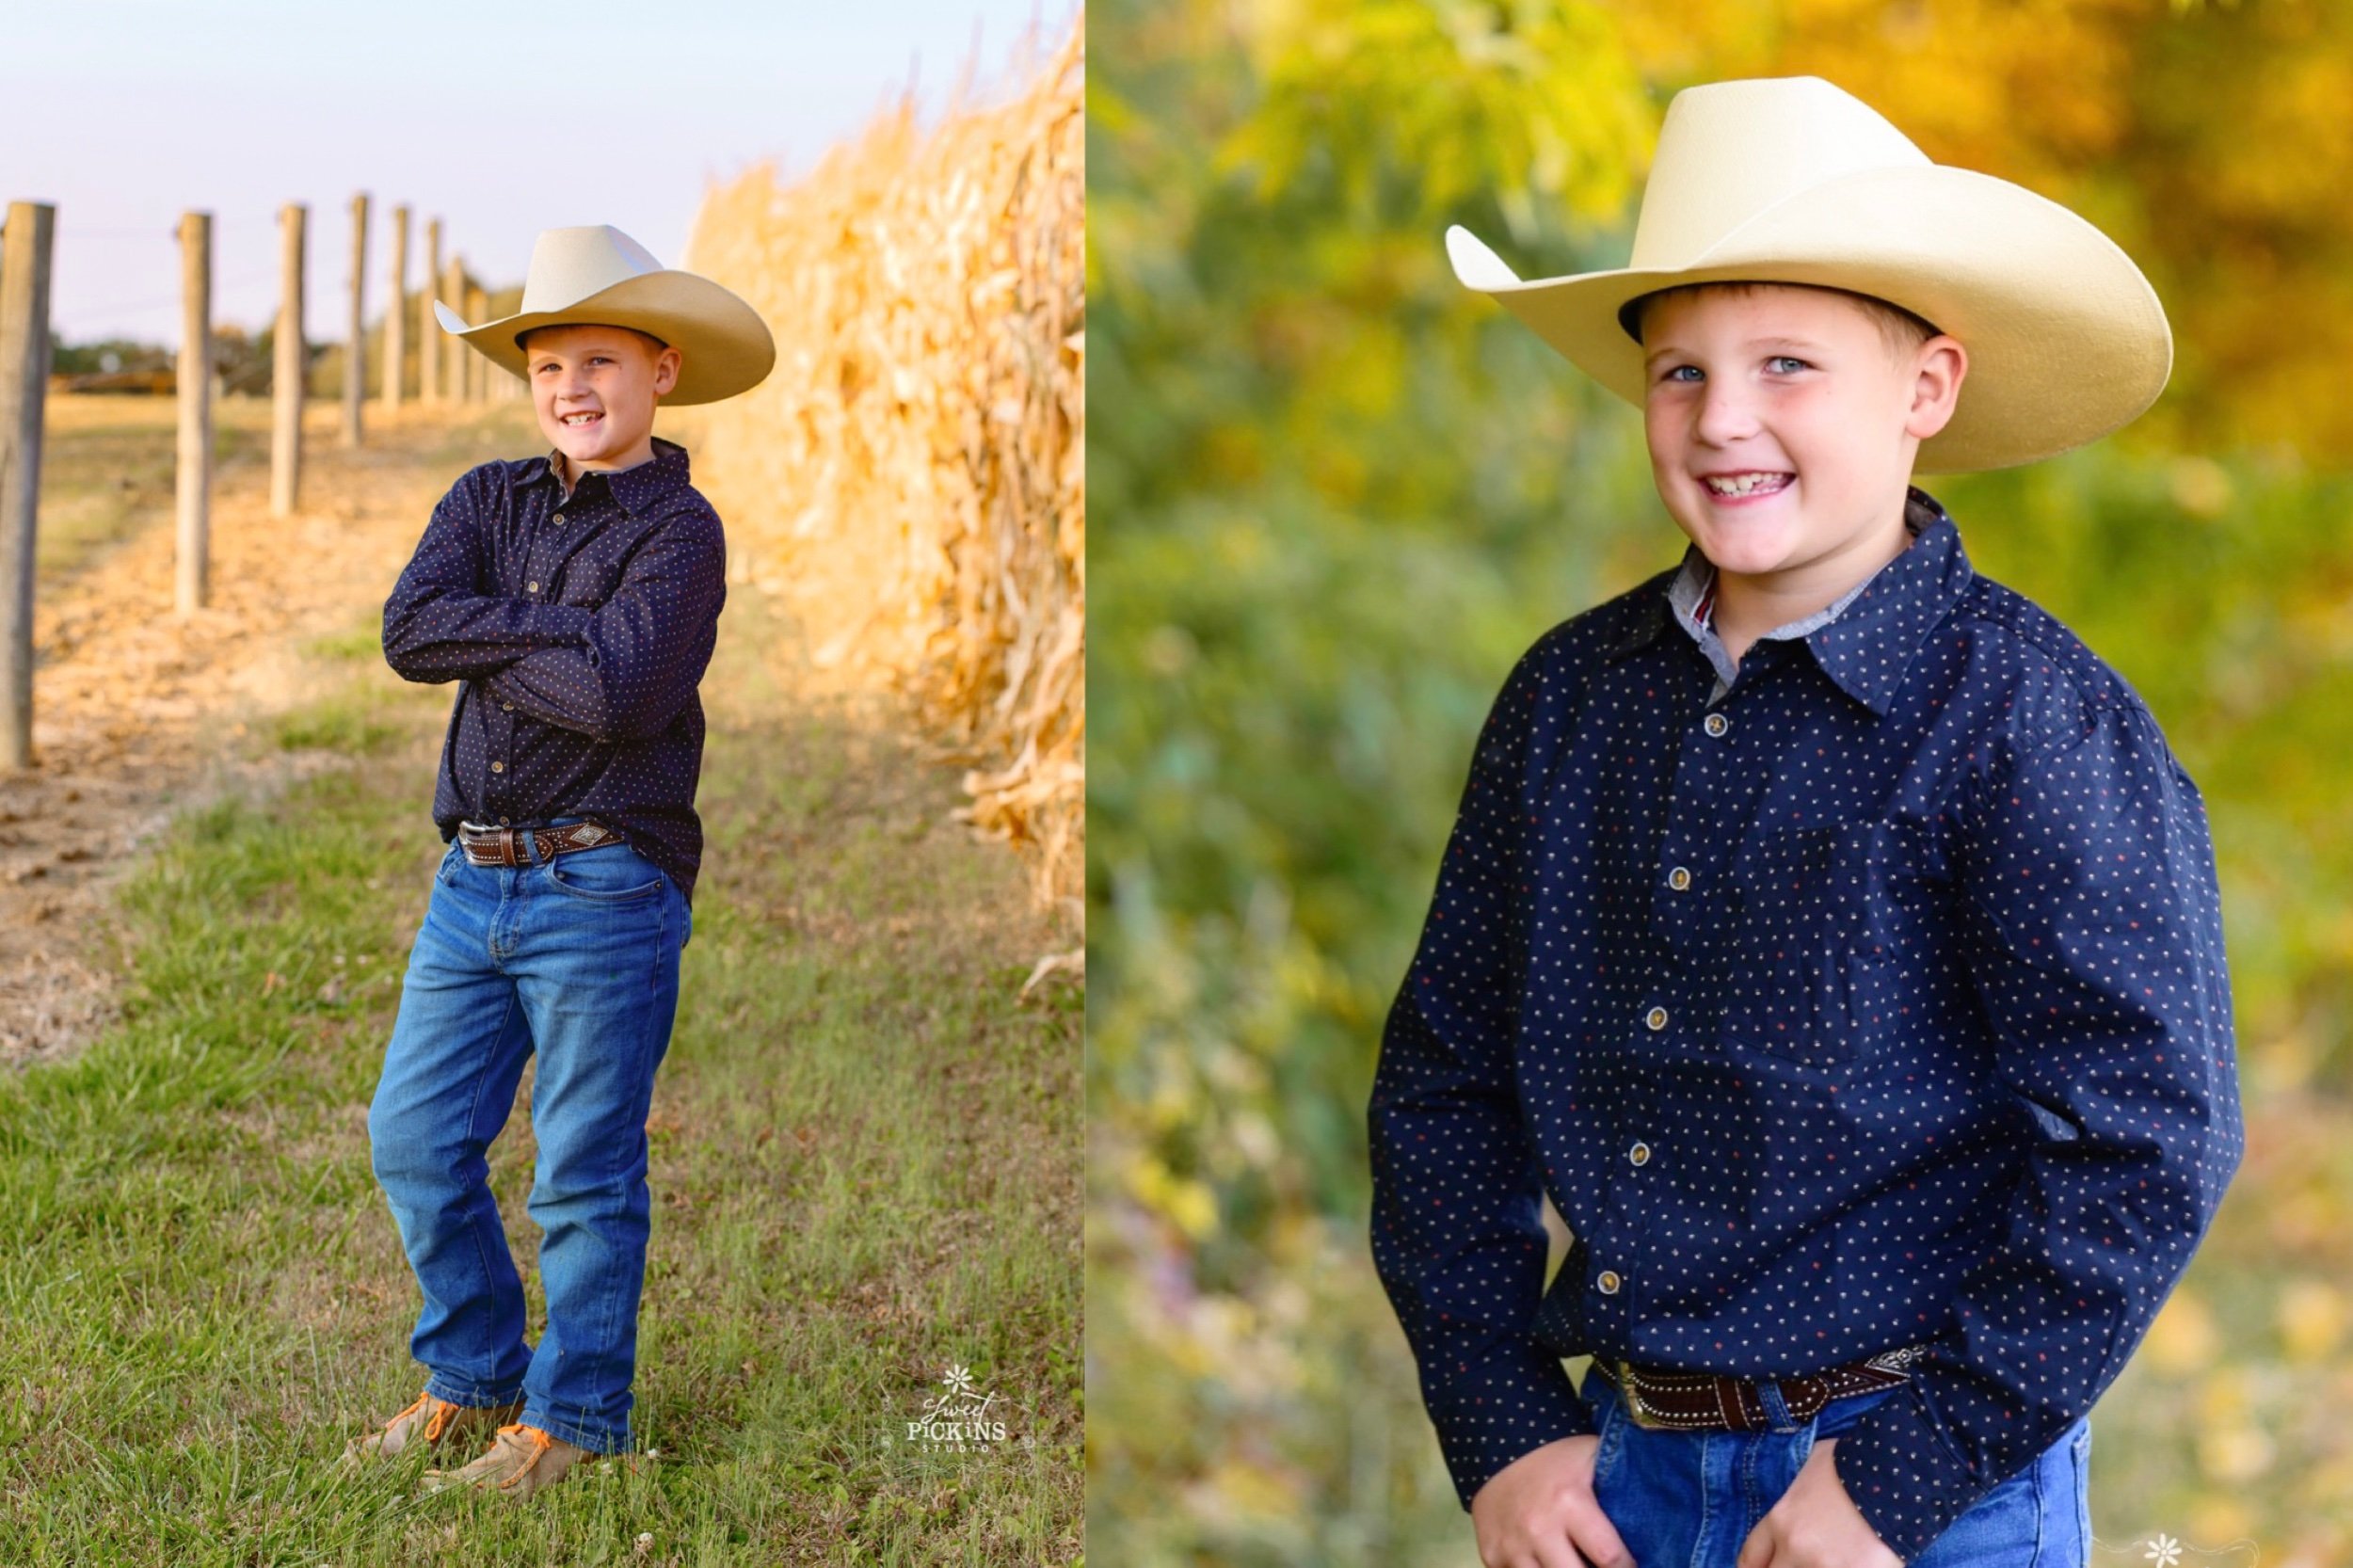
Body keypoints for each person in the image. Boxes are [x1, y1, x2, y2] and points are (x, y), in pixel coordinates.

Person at [1368, 76, 2243, 1568]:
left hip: (1922, 1495)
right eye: (1680, 373)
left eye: (1789, 365)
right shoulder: (1571, 701)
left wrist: (1898, 1480)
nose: (1726, 421)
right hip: (1620, 1486)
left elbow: (2148, 1140)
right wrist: (1499, 1417)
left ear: (1927, 389)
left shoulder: (2029, 725)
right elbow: (1443, 1079)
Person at [344, 225, 774, 1497]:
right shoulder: (486, 498)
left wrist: (515, 642)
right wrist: (557, 633)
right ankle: (471, 1372)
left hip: (605, 880)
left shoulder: (682, 533)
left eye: (599, 359)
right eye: (548, 367)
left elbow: (623, 694)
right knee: (415, 1138)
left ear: (661, 369)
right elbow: (410, 631)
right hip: (472, 878)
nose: (572, 388)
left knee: (583, 1168)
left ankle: (576, 1414)